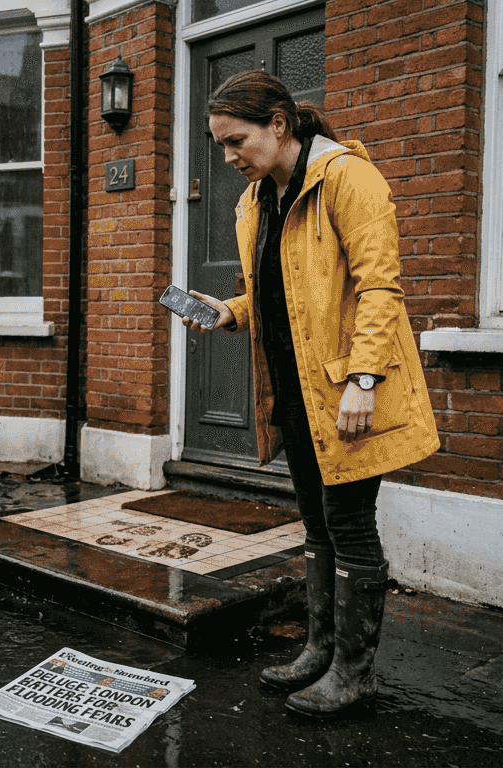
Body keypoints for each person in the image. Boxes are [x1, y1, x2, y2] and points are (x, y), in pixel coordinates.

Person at [182, 70, 439, 718]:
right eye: (220, 146)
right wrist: (230, 310)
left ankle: (354, 675)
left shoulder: (349, 179)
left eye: (235, 140)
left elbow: (381, 288)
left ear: (279, 124)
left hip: (351, 392)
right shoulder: (256, 202)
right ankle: (320, 653)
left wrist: (363, 380)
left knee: (350, 526)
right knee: (318, 524)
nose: (229, 157)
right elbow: (286, 292)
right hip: (295, 392)